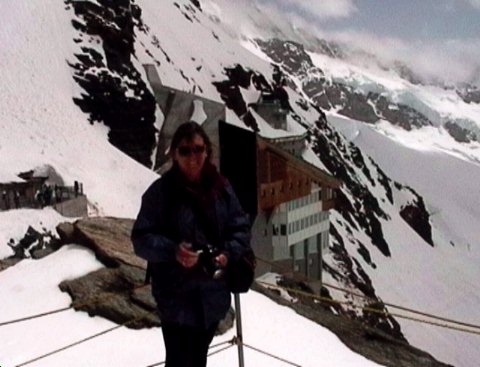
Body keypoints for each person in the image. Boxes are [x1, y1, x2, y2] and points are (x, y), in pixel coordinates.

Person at [131, 121, 251, 367]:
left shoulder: (222, 188)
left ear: (207, 150)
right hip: (177, 301)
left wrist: (226, 254)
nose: (193, 156)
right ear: (175, 154)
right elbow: (141, 239)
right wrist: (173, 251)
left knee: (198, 359)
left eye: (198, 149)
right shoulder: (160, 193)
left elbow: (240, 228)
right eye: (186, 151)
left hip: (211, 298)